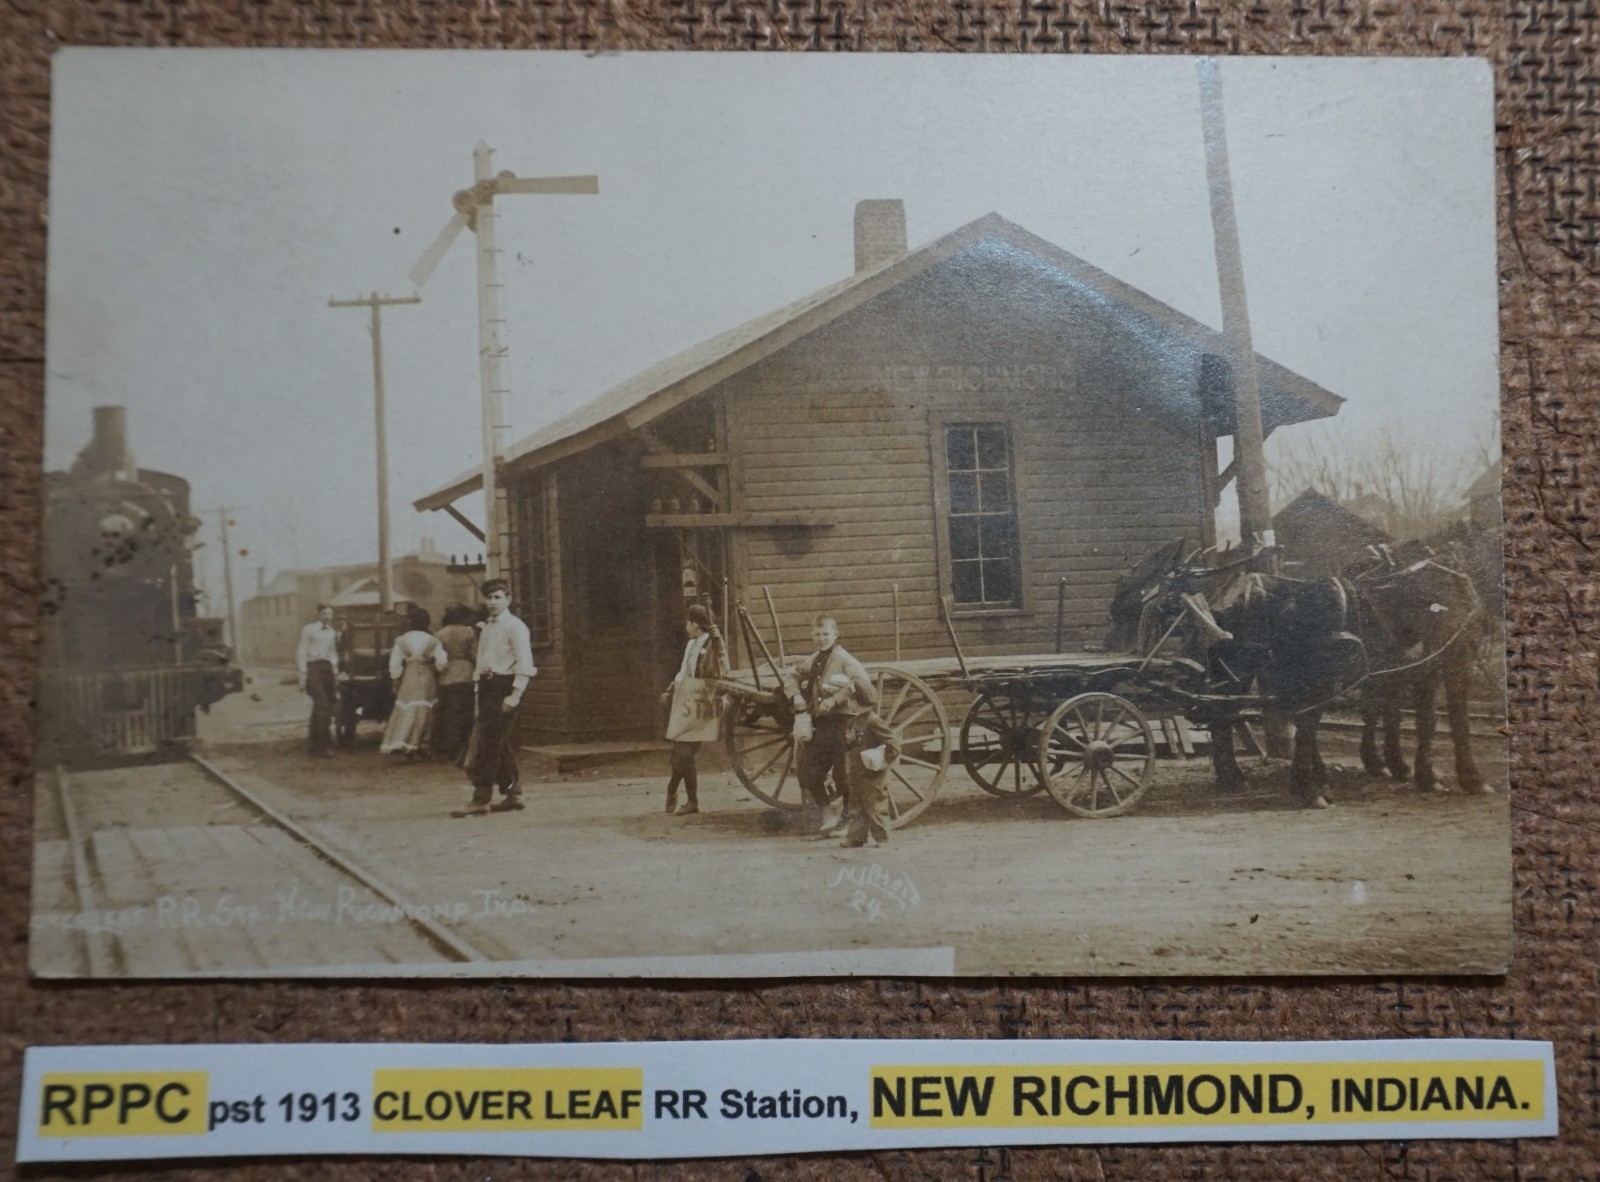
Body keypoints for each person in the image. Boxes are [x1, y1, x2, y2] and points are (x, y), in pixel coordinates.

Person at [785, 614, 877, 834]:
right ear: (811, 636)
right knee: (807, 771)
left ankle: (848, 818)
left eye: (825, 634)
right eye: (817, 634)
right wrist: (795, 696)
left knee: (842, 775)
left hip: (844, 722)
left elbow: (861, 684)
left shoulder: (844, 658)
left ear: (835, 635)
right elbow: (793, 676)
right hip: (822, 723)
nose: (821, 638)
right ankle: (828, 812)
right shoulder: (815, 657)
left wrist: (834, 700)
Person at [454, 579, 536, 817]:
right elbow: (481, 662)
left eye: (498, 597)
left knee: (487, 745)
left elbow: (525, 662)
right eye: (489, 598)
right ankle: (513, 794)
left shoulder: (515, 626)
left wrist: (516, 694)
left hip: (505, 688)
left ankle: (480, 800)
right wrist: (480, 691)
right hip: (489, 688)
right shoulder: (488, 627)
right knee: (499, 745)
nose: (492, 602)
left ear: (508, 599)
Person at [659, 603, 728, 815]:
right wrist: (670, 689)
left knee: (683, 753)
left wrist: (718, 641)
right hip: (688, 700)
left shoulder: (713, 644)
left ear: (696, 625)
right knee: (679, 753)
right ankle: (678, 794)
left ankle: (686, 798)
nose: (686, 627)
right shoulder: (691, 645)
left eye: (688, 623)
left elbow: (722, 665)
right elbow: (683, 672)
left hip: (704, 701)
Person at [380, 606, 448, 760]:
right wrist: (437, 668)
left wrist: (396, 678)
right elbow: (442, 662)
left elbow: (395, 664)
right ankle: (421, 744)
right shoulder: (432, 641)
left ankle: (403, 742)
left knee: (408, 707)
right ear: (427, 623)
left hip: (409, 678)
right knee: (426, 708)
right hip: (426, 678)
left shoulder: (402, 641)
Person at [840, 709, 899, 848]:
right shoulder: (855, 720)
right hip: (857, 769)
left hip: (872, 770)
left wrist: (884, 759)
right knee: (856, 802)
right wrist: (849, 740)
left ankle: (882, 838)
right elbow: (850, 744)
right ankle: (855, 837)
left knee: (875, 803)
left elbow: (893, 743)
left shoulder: (873, 720)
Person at [432, 604, 479, 764]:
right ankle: (464, 748)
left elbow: (437, 657)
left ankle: (449, 747)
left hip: (446, 676)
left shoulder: (439, 634)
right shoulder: (469, 632)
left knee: (448, 713)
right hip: (465, 674)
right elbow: (474, 654)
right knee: (465, 712)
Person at [295, 603, 340, 758]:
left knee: (321, 708)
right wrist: (302, 673)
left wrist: (335, 669)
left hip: (327, 668)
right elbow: (302, 651)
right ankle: (324, 746)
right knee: (323, 707)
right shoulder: (309, 629)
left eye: (330, 614)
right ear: (318, 614)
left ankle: (313, 746)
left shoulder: (331, 632)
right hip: (313, 667)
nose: (328, 617)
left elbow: (333, 652)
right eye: (324, 614)